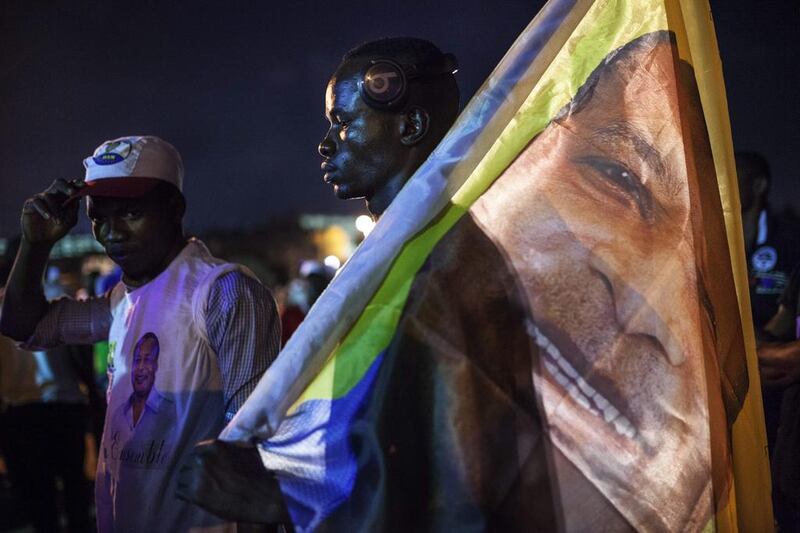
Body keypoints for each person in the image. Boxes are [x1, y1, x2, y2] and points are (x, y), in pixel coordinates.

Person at [183, 31, 743, 531]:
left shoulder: (450, 260)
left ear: (411, 125)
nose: (326, 144)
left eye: (344, 122)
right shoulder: (393, 254)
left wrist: (289, 496)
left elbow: (458, 475)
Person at [0, 135, 281, 532]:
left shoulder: (221, 292)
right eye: (98, 216)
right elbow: (24, 327)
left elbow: (256, 443)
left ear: (175, 209)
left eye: (130, 213)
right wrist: (34, 244)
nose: (111, 232)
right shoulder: (122, 300)